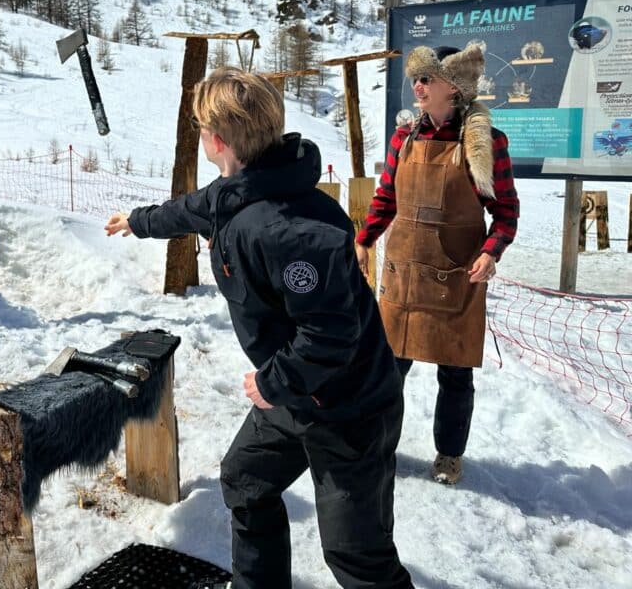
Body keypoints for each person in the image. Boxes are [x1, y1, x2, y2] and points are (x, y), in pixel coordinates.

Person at [106, 67, 412, 589]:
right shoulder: (237, 190)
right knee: (246, 480)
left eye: (201, 125)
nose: (200, 133)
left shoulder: (291, 231)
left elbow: (331, 334)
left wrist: (272, 382)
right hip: (295, 396)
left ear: (217, 140)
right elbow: (191, 211)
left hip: (349, 407)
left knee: (357, 560)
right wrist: (137, 221)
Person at [355, 44, 519, 486]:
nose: (418, 87)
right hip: (404, 273)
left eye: (428, 79)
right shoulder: (404, 138)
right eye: (416, 79)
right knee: (387, 371)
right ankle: (378, 448)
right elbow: (386, 198)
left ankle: (449, 456)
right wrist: (365, 239)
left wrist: (490, 251)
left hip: (456, 278)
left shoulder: (486, 144)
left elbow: (505, 213)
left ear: (455, 87)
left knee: (455, 374)